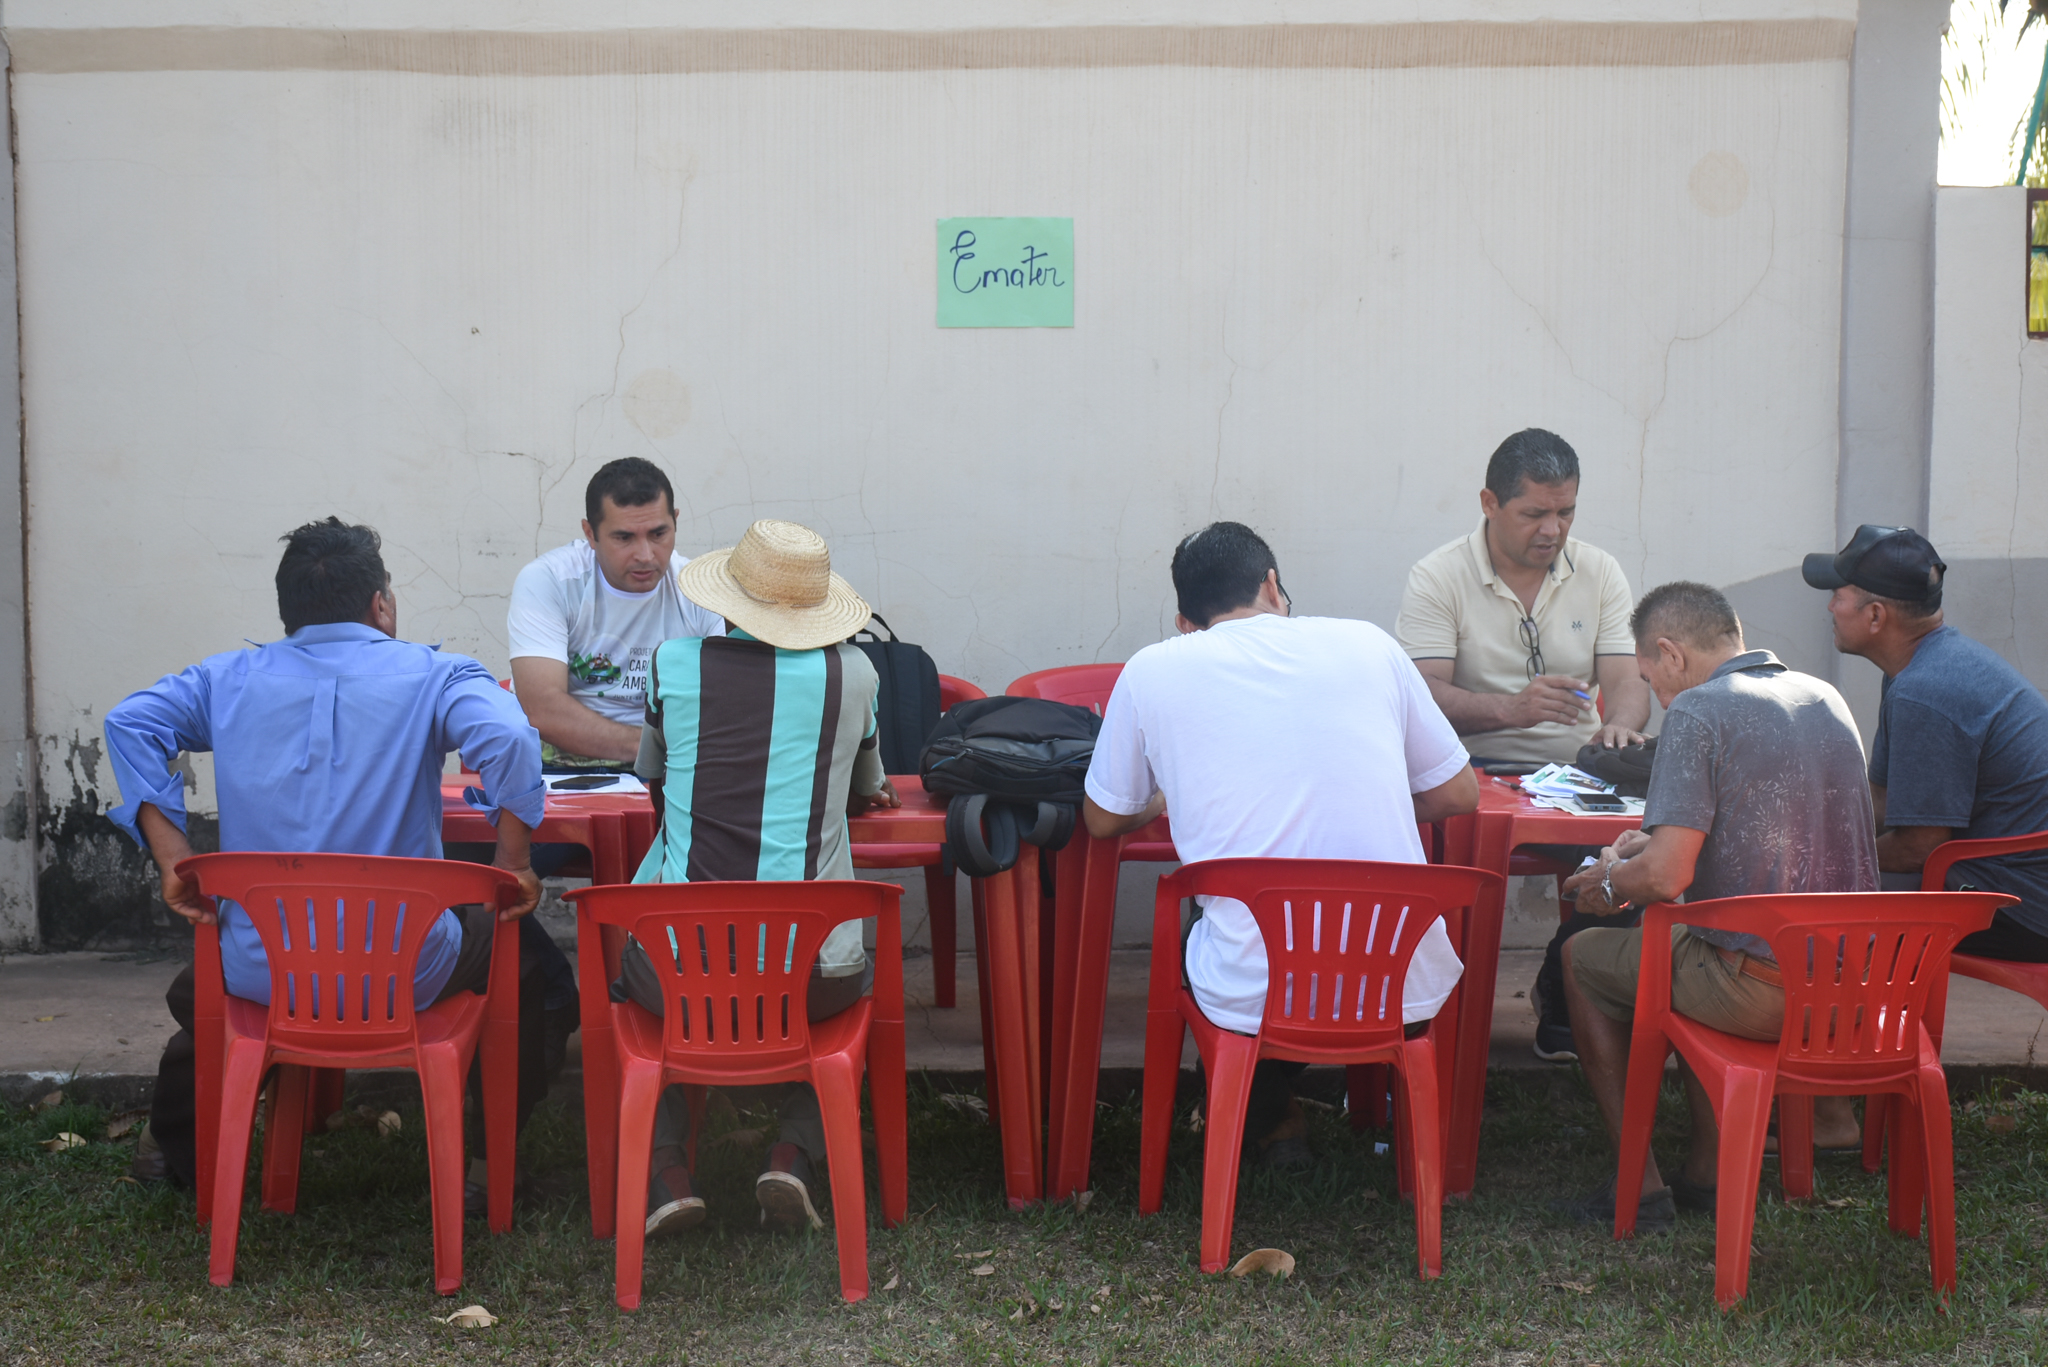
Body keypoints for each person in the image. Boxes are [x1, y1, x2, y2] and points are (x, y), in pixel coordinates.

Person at [105, 519, 548, 1211]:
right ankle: (487, 1165)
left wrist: (175, 859)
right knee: (536, 967)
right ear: (382, 605)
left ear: (287, 613)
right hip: (407, 970)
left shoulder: (226, 678)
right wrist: (513, 859)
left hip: (267, 968)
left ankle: (172, 1145)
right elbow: (511, 734)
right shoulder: (436, 675)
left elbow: (130, 722)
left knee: (209, 980)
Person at [1082, 521, 1479, 1170]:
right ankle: (1314, 1123)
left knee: (1213, 932)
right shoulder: (1369, 645)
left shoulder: (1154, 667)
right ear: (1272, 584)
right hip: (1398, 982)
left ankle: (1268, 1114)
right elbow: (1459, 793)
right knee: (1266, 935)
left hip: (1256, 994)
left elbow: (1102, 818)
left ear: (1186, 621)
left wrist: (1163, 798)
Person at [1556, 582, 1876, 1230]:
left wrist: (1608, 881)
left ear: (1669, 655)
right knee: (1689, 947)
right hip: (1860, 990)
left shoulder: (1698, 710)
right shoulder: (1825, 696)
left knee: (1582, 958)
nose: (1655, 696)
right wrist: (1647, 847)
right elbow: (1771, 826)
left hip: (1766, 989)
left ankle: (1639, 1186)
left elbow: (1669, 874)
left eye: (1649, 678)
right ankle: (1707, 1171)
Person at [617, 519, 900, 1237]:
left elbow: (652, 772)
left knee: (637, 982)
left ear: (727, 601)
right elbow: (870, 785)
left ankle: (664, 1171)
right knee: (845, 989)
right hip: (813, 973)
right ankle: (794, 1153)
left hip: (682, 970)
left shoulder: (672, 664)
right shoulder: (856, 675)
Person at [1395, 428, 1654, 1063]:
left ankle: (1566, 988)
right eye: (1534, 512)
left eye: (1565, 512)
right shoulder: (1438, 575)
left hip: (1576, 769)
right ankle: (1445, 1013)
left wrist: (1617, 725)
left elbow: (1626, 680)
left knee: (1641, 849)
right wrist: (1509, 710)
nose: (1553, 529)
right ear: (1489, 503)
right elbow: (1419, 694)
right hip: (1471, 769)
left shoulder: (1599, 570)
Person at [1807, 524, 2048, 962]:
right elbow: (1878, 801)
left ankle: (1824, 1023)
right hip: (1996, 876)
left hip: (2024, 907)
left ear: (1876, 616)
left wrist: (1817, 860)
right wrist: (1800, 829)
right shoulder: (1918, 667)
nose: (1830, 606)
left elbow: (1921, 849)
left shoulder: (1927, 691)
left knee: (1802, 906)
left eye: (1838, 595)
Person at [506, 456, 724, 769]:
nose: (646, 555)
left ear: (675, 521)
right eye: (624, 537)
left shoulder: (702, 589)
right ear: (590, 533)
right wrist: (655, 748)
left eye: (658, 534)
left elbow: (732, 696)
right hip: (560, 763)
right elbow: (542, 709)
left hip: (676, 761)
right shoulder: (550, 580)